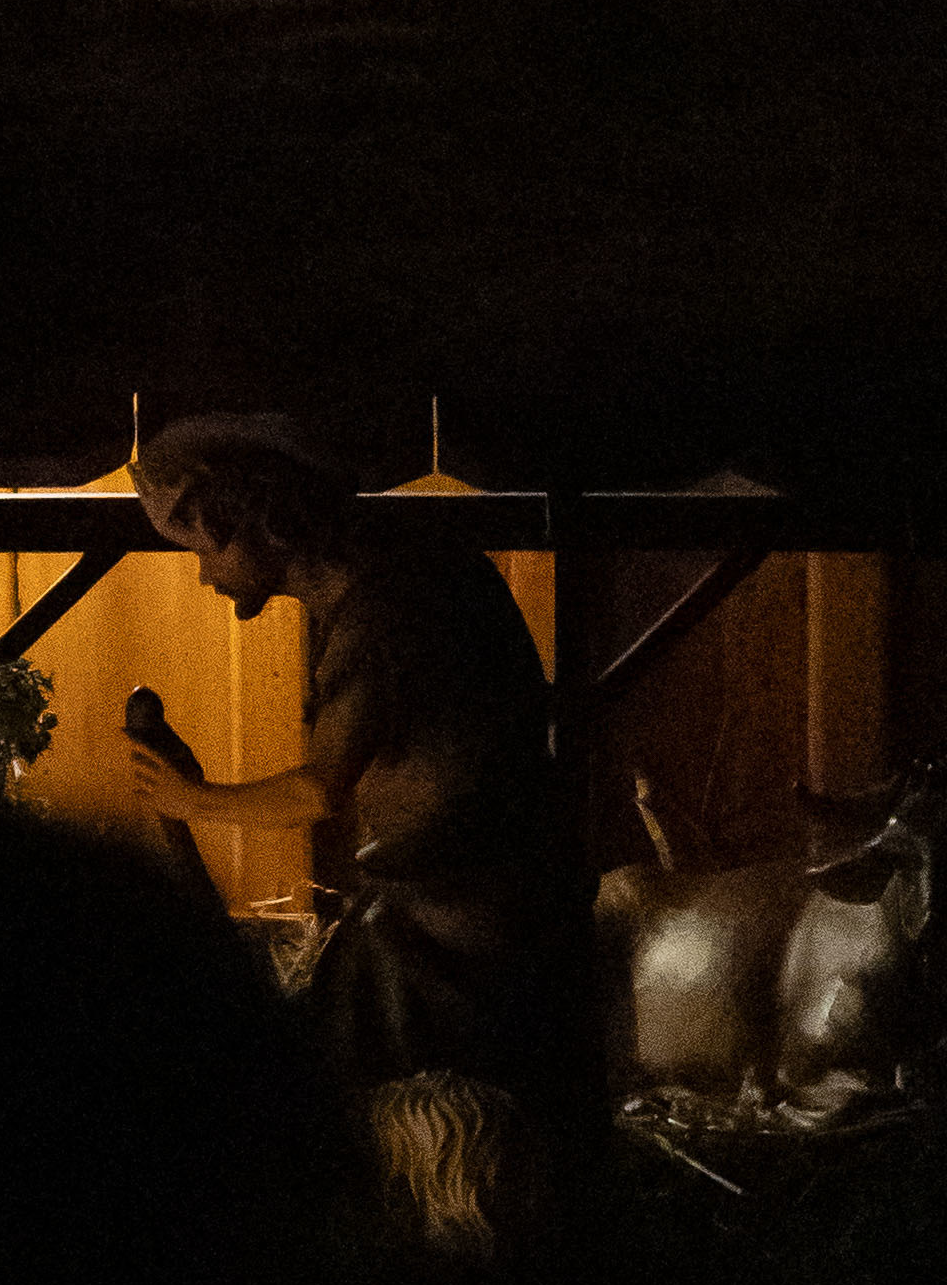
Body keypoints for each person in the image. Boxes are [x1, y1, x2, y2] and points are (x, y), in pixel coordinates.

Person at [120, 415, 598, 1223]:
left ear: (252, 518)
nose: (202, 574)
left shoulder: (388, 604)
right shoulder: (394, 581)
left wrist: (190, 800)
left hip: (464, 929)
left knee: (340, 1095)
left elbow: (319, 791)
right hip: (454, 908)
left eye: (202, 546)